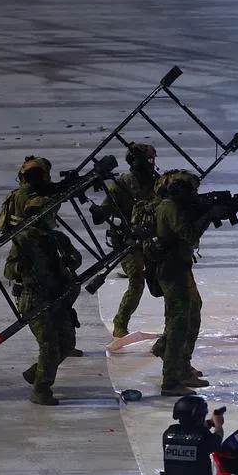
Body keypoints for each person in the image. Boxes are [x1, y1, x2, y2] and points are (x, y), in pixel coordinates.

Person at [3, 196, 81, 405]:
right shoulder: (24, 240)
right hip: (35, 299)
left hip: (58, 297)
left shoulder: (57, 238)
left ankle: (38, 372)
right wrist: (22, 266)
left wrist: (69, 260)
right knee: (49, 345)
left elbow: (77, 258)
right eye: (50, 213)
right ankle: (41, 389)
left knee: (67, 343)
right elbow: (8, 271)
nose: (54, 217)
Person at [152, 170, 218, 395]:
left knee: (192, 311)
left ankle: (179, 363)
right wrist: (208, 216)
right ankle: (171, 380)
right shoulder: (170, 208)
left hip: (179, 267)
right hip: (172, 270)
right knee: (178, 322)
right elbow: (190, 235)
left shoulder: (172, 206)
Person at [96, 143, 159, 338]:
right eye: (147, 160)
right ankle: (120, 323)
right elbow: (105, 211)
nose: (151, 164)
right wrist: (104, 213)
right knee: (137, 280)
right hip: (128, 241)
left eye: (152, 160)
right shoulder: (122, 184)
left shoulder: (157, 182)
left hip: (150, 239)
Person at [0, 156, 52, 233]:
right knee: (62, 238)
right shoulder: (31, 196)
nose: (47, 178)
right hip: (34, 239)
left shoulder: (16, 194)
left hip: (22, 239)